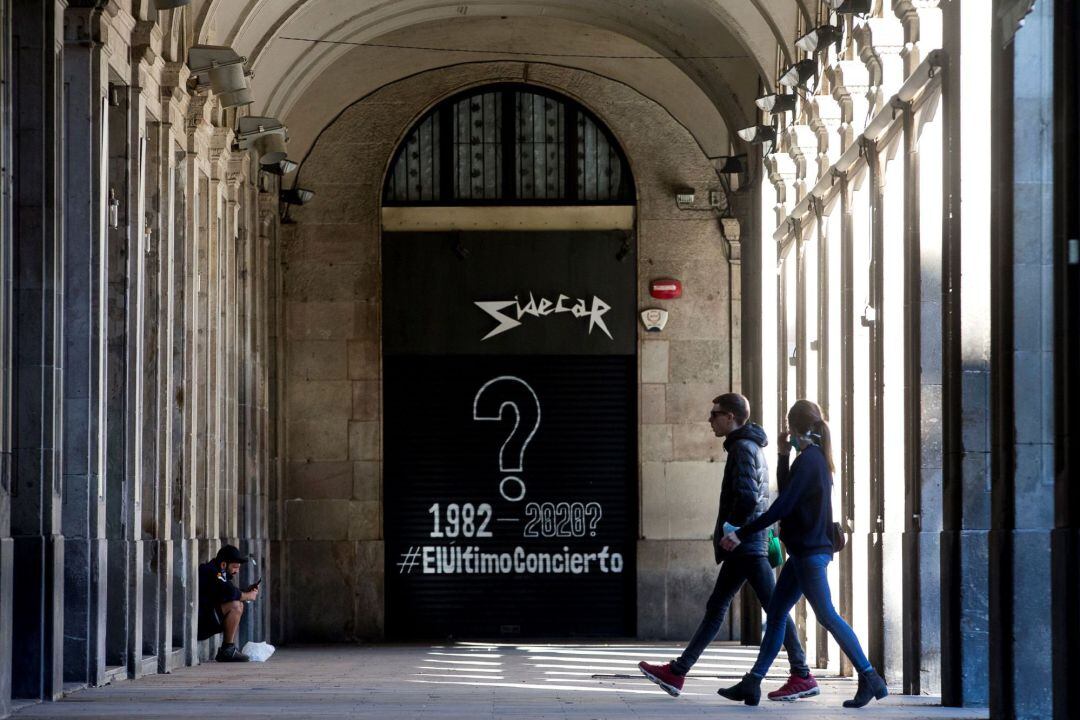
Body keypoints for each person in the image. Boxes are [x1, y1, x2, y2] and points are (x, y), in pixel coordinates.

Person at [638, 393, 818, 701]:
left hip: (747, 546)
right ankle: (678, 672)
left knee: (768, 609)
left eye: (715, 414)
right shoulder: (745, 446)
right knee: (728, 607)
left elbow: (747, 498)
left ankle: (801, 673)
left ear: (731, 417)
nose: (710, 420)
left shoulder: (743, 449)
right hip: (748, 545)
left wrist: (731, 531)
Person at [717, 399, 888, 709]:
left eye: (788, 428)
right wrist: (783, 455)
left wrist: (741, 533)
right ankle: (753, 682)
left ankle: (869, 675)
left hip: (810, 553)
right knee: (779, 613)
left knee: (826, 615)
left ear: (793, 426)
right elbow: (789, 493)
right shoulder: (810, 458)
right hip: (802, 552)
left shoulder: (810, 460)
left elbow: (784, 505)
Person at [198, 544, 260, 662]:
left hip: (207, 620)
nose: (237, 571)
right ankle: (227, 650)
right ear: (223, 564)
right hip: (200, 624)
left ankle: (228, 648)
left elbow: (227, 591)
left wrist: (244, 592)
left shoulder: (219, 573)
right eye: (235, 567)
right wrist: (248, 596)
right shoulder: (211, 571)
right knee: (236, 606)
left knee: (238, 603)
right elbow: (229, 592)